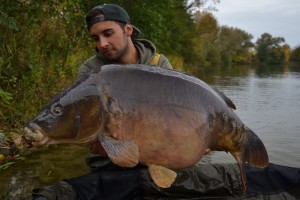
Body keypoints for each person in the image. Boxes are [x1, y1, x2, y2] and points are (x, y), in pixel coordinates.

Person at [32, 4, 300, 200]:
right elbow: (84, 126)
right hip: (110, 159)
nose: (101, 44)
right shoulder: (92, 73)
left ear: (127, 30)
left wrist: (197, 138)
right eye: (95, 37)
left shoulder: (160, 65)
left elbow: (185, 114)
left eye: (108, 33)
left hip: (164, 152)